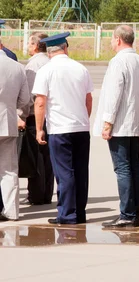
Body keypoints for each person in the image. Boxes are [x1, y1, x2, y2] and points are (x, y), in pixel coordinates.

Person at [32, 32, 93, 225]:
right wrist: (83, 119)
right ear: (65, 48)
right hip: (81, 127)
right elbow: (88, 100)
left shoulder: (46, 71)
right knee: (81, 171)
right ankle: (79, 212)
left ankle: (67, 214)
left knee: (65, 172)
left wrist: (39, 128)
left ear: (49, 52)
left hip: (60, 128)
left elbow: (40, 102)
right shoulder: (81, 68)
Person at [95, 25, 139, 228]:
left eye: (111, 39)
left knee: (123, 168)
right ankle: (134, 211)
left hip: (120, 123)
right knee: (134, 166)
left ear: (118, 40)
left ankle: (127, 214)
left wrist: (107, 122)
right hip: (135, 122)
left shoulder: (118, 62)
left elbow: (113, 95)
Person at [0, 43, 30, 221]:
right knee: (9, 170)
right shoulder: (17, 67)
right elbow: (25, 99)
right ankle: (12, 211)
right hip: (7, 123)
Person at [23, 32, 54, 205]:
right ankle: (47, 194)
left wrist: (24, 115)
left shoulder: (33, 65)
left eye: (29, 43)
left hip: (36, 116)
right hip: (52, 116)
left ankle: (36, 195)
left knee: (35, 157)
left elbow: (29, 95)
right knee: (48, 158)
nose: (28, 47)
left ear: (35, 46)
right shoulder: (50, 61)